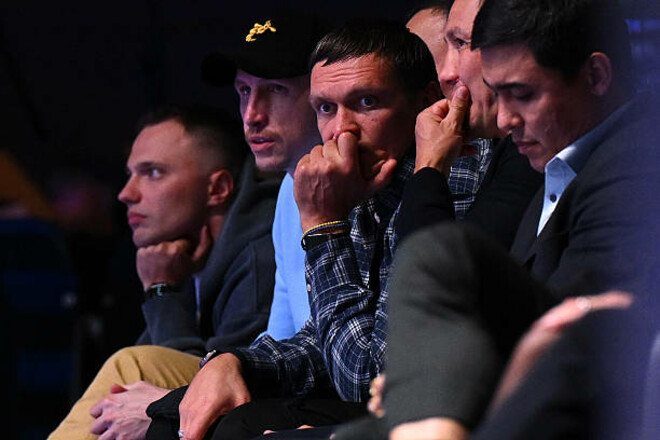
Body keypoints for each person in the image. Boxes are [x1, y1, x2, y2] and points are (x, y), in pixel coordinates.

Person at [144, 18, 442, 440]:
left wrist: (323, 227)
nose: (342, 129)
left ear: (427, 100)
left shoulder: (434, 186)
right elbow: (308, 338)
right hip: (346, 386)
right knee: (167, 414)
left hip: (399, 406)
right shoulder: (327, 186)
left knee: (222, 422)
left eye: (366, 102)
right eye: (327, 108)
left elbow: (364, 377)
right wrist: (235, 361)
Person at [382, 0, 656, 438]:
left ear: (596, 75)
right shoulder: (562, 163)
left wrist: (438, 382)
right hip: (504, 401)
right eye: (497, 93)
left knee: (440, 253)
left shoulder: (639, 166)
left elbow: (573, 342)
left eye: (522, 95)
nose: (506, 119)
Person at [48, 104, 280, 440]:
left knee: (135, 363)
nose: (126, 194)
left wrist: (161, 291)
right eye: (130, 174)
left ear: (218, 188)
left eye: (153, 173)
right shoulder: (179, 253)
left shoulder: (261, 256)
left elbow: (213, 390)